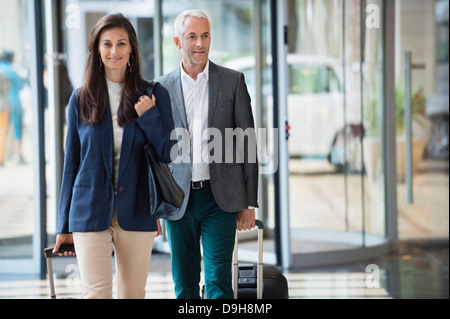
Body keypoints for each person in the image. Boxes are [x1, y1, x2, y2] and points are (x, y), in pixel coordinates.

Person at [53, 13, 175, 299]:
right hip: (89, 211)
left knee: (132, 293)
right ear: (97, 49)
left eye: (121, 44)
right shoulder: (81, 98)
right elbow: (71, 164)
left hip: (138, 208)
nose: (114, 51)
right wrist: (63, 225)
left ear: (132, 47)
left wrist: (148, 116)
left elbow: (168, 154)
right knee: (95, 294)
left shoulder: (154, 94)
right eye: (107, 44)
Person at [156, 9, 259, 299]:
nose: (200, 43)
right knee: (185, 284)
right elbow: (155, 154)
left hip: (220, 199)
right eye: (192, 37)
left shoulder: (232, 81)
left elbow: (247, 144)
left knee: (218, 282)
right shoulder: (161, 88)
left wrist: (249, 201)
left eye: (205, 36)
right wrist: (155, 206)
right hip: (179, 202)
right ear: (178, 42)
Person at [0, 52, 26, 164]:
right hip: (12, 102)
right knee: (17, 129)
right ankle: (18, 154)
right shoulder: (12, 70)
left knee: (2, 131)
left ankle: (3, 157)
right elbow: (20, 85)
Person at [0, 63, 11, 166]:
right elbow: (8, 87)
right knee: (2, 133)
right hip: (3, 106)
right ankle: (1, 158)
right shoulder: (3, 74)